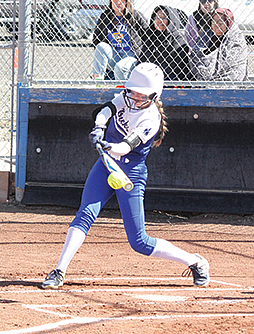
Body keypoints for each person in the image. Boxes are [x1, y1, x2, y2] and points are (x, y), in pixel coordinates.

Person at [42, 63, 210, 289]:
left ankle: (195, 262)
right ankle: (59, 271)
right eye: (133, 91)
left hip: (130, 173)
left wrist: (105, 145)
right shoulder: (125, 97)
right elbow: (104, 111)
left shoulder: (151, 119)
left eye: (141, 94)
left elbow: (124, 147)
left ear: (153, 95)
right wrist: (98, 129)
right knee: (85, 215)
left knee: (139, 242)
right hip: (106, 166)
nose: (135, 97)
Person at [92, 0, 148, 80]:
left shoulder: (135, 16)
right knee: (101, 46)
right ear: (110, 1)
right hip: (114, 55)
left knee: (121, 68)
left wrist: (142, 55)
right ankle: (98, 83)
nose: (118, 2)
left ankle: (121, 92)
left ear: (127, 1)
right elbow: (96, 38)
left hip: (130, 55)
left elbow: (148, 35)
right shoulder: (105, 16)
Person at [188, 8, 248, 81]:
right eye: (214, 22)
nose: (216, 25)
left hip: (229, 82)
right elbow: (195, 58)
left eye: (220, 22)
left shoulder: (236, 40)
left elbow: (235, 68)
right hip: (203, 81)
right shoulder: (205, 37)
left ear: (228, 23)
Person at [139, 5, 191, 80]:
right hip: (151, 75)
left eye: (164, 18)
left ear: (171, 20)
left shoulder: (178, 39)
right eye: (157, 18)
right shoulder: (151, 36)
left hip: (172, 78)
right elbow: (143, 59)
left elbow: (175, 66)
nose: (159, 21)